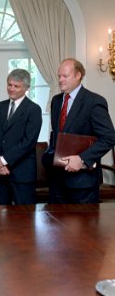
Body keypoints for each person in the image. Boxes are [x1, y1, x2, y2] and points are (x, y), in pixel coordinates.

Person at [42, 58, 115, 203]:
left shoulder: (94, 101)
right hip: (57, 182)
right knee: (55, 225)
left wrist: (82, 159)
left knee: (83, 226)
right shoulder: (56, 101)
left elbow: (109, 137)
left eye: (65, 76)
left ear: (78, 75)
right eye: (59, 76)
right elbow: (57, 134)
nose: (60, 80)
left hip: (82, 183)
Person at [0, 69, 42, 205]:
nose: (11, 89)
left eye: (16, 86)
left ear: (26, 88)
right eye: (9, 85)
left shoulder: (33, 109)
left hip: (22, 173)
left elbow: (28, 142)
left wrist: (4, 160)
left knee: (25, 218)